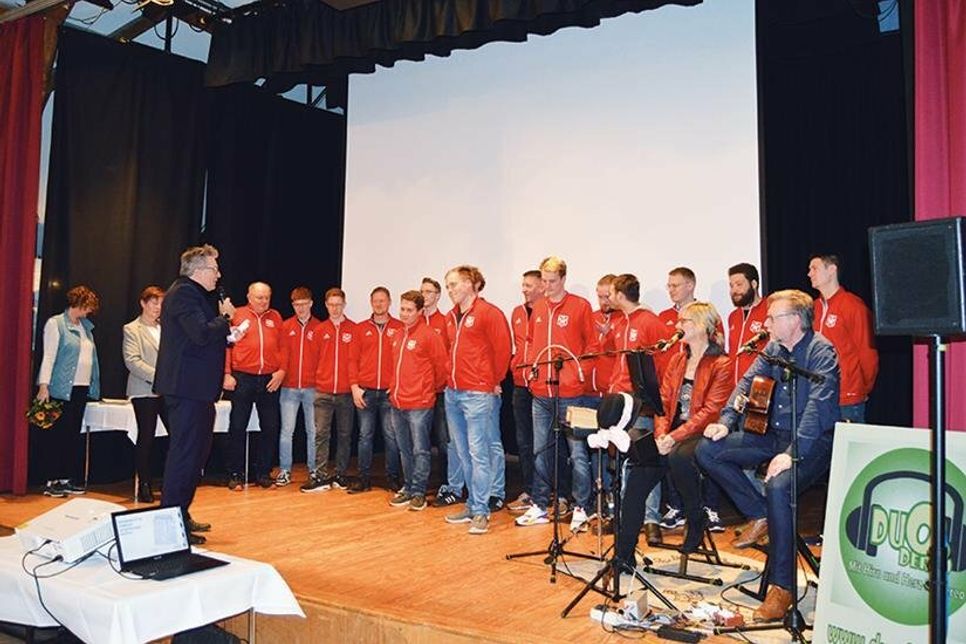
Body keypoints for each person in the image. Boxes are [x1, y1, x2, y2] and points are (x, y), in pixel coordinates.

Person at [696, 289, 840, 622]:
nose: (766, 323)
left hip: (813, 442)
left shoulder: (821, 352)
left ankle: (782, 587)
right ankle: (760, 513)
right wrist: (725, 421)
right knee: (708, 450)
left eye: (773, 318)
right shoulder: (773, 349)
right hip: (773, 435)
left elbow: (817, 409)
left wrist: (792, 453)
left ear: (795, 321)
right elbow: (746, 384)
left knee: (778, 486)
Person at [155, 245, 236, 545]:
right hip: (186, 389)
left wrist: (225, 331)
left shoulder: (193, 295)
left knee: (196, 455)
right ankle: (170, 522)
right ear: (199, 270)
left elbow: (200, 338)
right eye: (215, 269)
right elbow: (201, 333)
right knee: (185, 455)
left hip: (197, 390)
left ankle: (181, 513)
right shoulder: (183, 294)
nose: (219, 274)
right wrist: (225, 318)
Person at [515, 257, 599, 533]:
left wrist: (577, 374)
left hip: (571, 393)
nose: (547, 286)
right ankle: (540, 505)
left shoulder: (580, 306)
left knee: (577, 453)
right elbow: (531, 342)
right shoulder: (539, 307)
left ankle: (582, 507)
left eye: (552, 281)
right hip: (541, 392)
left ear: (563, 279)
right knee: (540, 451)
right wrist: (531, 372)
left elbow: (592, 345)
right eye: (544, 280)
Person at [442, 265, 511, 535]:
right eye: (448, 285)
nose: (450, 290)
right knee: (463, 453)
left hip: (478, 394)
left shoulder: (489, 313)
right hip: (453, 393)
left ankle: (481, 511)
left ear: (471, 283)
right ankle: (472, 504)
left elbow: (503, 350)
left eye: (454, 284)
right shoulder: (450, 317)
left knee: (479, 453)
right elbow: (450, 351)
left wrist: (492, 381)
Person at [607, 273, 667, 545]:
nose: (608, 298)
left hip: (641, 403)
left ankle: (651, 519)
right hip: (619, 399)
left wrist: (655, 398)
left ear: (620, 295)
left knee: (644, 460)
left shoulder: (649, 321)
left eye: (611, 293)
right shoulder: (619, 323)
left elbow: (664, 360)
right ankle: (624, 516)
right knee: (622, 461)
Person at [34, 285, 102, 498]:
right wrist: (44, 385)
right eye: (88, 306)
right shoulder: (56, 324)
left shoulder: (86, 328)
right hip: (62, 389)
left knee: (72, 435)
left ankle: (65, 478)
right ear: (79, 303)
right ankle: (51, 480)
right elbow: (49, 356)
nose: (90, 311)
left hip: (81, 389)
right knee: (57, 435)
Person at [388, 290, 448, 510]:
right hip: (397, 403)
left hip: (419, 404)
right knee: (404, 449)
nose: (404, 313)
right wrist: (393, 389)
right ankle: (409, 487)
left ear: (420, 311)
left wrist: (427, 390)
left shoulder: (429, 335)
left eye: (409, 310)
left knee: (420, 450)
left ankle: (419, 492)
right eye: (402, 309)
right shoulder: (397, 335)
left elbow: (441, 367)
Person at [223, 282, 285, 490]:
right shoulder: (237, 315)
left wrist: (282, 371)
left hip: (269, 379)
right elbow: (226, 346)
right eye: (259, 297)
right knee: (237, 426)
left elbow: (283, 347)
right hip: (243, 378)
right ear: (249, 297)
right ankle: (235, 474)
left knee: (270, 427)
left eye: (267, 297)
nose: (263, 301)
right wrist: (227, 373)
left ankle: (263, 473)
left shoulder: (276, 317)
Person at [808, 254, 878, 422]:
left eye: (814, 268)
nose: (809, 274)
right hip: (817, 398)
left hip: (847, 399)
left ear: (832, 270)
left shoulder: (853, 306)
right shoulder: (812, 308)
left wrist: (860, 389)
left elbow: (867, 353)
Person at [348, 287, 404, 492]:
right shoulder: (360, 328)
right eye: (375, 301)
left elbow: (403, 360)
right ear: (371, 303)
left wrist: (396, 385)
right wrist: (354, 386)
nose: (379, 304)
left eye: (383, 300)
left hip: (389, 393)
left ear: (389, 302)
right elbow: (352, 360)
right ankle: (363, 478)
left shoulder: (399, 327)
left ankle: (393, 477)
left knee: (391, 436)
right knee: (365, 436)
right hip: (366, 392)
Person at [303, 288, 355, 493]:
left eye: (338, 304)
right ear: (326, 305)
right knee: (321, 434)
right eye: (331, 305)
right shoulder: (319, 330)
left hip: (346, 393)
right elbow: (312, 359)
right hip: (323, 391)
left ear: (344, 305)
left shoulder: (354, 329)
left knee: (344, 435)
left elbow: (356, 361)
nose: (335, 308)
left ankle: (341, 474)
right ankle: (320, 475)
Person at [276, 287, 323, 487]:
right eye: (296, 305)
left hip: (313, 388)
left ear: (311, 303)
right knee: (287, 431)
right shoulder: (285, 326)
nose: (301, 308)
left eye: (304, 304)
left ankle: (314, 471)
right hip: (289, 387)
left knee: (313, 431)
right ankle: (285, 470)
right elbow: (280, 354)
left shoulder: (320, 327)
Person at [123, 285, 165, 503]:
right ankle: (144, 484)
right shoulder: (132, 329)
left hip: (167, 390)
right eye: (154, 303)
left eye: (161, 303)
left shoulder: (165, 328)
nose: (158, 307)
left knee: (177, 434)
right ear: (143, 303)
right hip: (144, 390)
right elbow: (132, 361)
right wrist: (159, 377)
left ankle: (168, 480)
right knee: (146, 436)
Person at [507, 269, 544, 513]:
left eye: (529, 285)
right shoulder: (517, 313)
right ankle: (530, 490)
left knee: (543, 443)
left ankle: (547, 492)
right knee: (524, 442)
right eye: (523, 285)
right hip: (520, 384)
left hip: (542, 385)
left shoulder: (548, 311)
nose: (524, 289)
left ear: (542, 287)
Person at [420, 277, 457, 501]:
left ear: (438, 295)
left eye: (429, 292)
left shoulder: (444, 321)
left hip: (441, 390)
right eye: (422, 291)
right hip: (419, 391)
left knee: (444, 441)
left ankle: (447, 483)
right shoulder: (414, 322)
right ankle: (419, 484)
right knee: (420, 441)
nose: (425, 295)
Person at [726, 263, 769, 385]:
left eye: (739, 284)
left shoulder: (770, 309)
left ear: (754, 284)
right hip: (735, 388)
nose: (734, 290)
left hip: (760, 387)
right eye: (731, 286)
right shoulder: (733, 316)